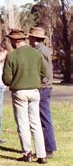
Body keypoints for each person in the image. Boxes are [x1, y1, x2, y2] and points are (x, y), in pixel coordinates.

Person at [2, 29, 48, 164]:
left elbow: (6, 79)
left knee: (23, 123)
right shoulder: (36, 53)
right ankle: (42, 155)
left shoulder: (11, 56)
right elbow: (44, 72)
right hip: (35, 91)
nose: (10, 42)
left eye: (11, 40)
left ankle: (27, 153)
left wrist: (17, 80)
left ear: (16, 41)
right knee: (36, 123)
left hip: (20, 92)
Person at [28, 26, 57, 158]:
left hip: (43, 87)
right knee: (42, 117)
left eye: (30, 36)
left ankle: (49, 148)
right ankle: (46, 147)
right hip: (45, 86)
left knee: (44, 117)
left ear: (33, 38)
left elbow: (43, 70)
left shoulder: (39, 51)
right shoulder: (41, 49)